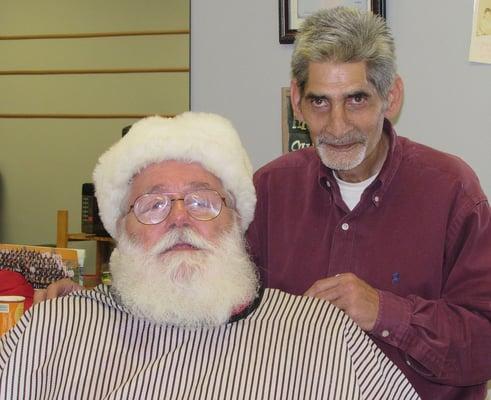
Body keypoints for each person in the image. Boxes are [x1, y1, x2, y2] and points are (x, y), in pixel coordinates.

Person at [0, 113, 419, 400]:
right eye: (153, 205)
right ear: (119, 228)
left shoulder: (326, 335)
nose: (180, 218)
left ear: (237, 220)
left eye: (202, 202)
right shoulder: (53, 330)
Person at [246, 7, 491, 400]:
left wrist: (385, 312)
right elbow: (235, 321)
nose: (337, 126)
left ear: (391, 97)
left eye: (356, 99)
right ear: (297, 100)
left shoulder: (452, 191)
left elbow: (484, 343)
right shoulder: (269, 189)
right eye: (320, 102)